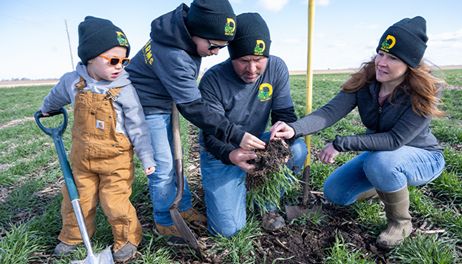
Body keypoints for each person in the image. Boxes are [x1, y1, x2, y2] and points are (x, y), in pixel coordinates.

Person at [270, 16, 446, 248]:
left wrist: (341, 143)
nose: (382, 62)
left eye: (392, 57)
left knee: (382, 164)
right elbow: (329, 112)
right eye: (381, 53)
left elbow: (395, 140)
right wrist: (293, 129)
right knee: (335, 193)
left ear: (410, 64)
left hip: (422, 157)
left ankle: (400, 223)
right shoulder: (366, 82)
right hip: (380, 153)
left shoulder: (423, 93)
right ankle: (385, 184)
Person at [126, 0, 266, 243]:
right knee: (162, 167)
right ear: (197, 31)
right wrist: (234, 133)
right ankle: (164, 220)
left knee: (173, 160)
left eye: (222, 48)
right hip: (145, 109)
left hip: (163, 101)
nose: (215, 53)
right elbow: (192, 107)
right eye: (213, 46)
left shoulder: (180, 35)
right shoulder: (174, 54)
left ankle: (184, 206)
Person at [39, 16, 155, 262]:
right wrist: (47, 108)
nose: (119, 67)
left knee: (115, 203)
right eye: (113, 60)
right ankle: (73, 236)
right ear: (90, 57)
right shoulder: (73, 82)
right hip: (82, 159)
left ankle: (127, 239)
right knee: (76, 199)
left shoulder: (124, 89)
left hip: (116, 160)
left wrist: (146, 156)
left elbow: (138, 126)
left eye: (124, 61)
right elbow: (56, 96)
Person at [198, 13, 308, 237]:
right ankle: (237, 186)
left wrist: (283, 137)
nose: (252, 69)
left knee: (297, 149)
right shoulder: (213, 80)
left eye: (259, 59)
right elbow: (210, 136)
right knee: (228, 231)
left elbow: (284, 113)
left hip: (257, 144)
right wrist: (231, 155)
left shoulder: (276, 68)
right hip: (221, 151)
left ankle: (267, 202)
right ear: (231, 56)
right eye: (244, 60)